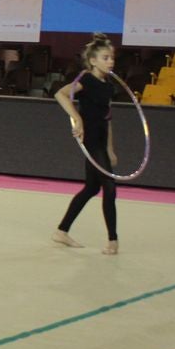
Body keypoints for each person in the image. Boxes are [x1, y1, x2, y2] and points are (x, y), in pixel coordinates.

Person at [52, 33, 119, 255]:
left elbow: (107, 119)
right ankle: (113, 240)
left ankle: (62, 231)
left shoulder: (108, 86)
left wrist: (110, 149)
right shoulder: (87, 80)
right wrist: (77, 118)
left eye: (112, 57)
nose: (111, 61)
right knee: (109, 188)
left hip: (100, 140)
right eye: (106, 57)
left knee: (92, 188)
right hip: (89, 140)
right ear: (93, 61)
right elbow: (60, 94)